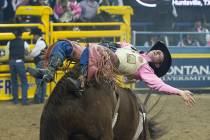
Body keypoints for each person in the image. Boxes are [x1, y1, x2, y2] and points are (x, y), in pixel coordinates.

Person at [27, 40, 195, 106]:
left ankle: (81, 82)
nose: (156, 53)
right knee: (65, 44)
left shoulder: (147, 70)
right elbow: (118, 43)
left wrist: (179, 92)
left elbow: (159, 85)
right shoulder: (132, 48)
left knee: (96, 49)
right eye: (158, 51)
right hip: (96, 53)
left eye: (159, 56)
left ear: (158, 65)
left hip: (109, 61)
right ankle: (49, 72)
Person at [7, 28, 29, 105]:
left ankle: (15, 100)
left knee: (14, 81)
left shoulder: (9, 42)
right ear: (21, 35)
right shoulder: (24, 43)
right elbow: (27, 53)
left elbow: (7, 53)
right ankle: (24, 100)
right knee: (24, 82)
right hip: (19, 62)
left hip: (11, 62)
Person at [29, 28, 47, 104]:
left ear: (36, 35)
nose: (33, 37)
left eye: (33, 35)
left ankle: (38, 99)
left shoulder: (40, 43)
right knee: (43, 81)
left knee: (39, 81)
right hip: (44, 62)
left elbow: (33, 54)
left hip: (40, 63)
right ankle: (41, 99)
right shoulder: (42, 41)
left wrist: (29, 54)